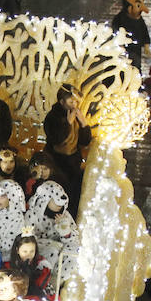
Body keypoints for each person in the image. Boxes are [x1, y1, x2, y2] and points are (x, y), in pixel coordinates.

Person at [42, 84, 91, 217]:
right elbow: (56, 139)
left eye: (75, 101)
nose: (73, 104)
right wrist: (67, 124)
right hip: (56, 160)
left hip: (73, 159)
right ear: (62, 101)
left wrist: (83, 124)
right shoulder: (52, 117)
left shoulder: (77, 114)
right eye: (70, 101)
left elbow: (85, 141)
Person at [112, 0, 151, 72]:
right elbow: (115, 30)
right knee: (121, 67)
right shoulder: (120, 18)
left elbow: (144, 32)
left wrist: (146, 45)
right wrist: (118, 42)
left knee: (136, 67)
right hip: (122, 49)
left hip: (136, 50)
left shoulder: (139, 20)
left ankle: (135, 81)